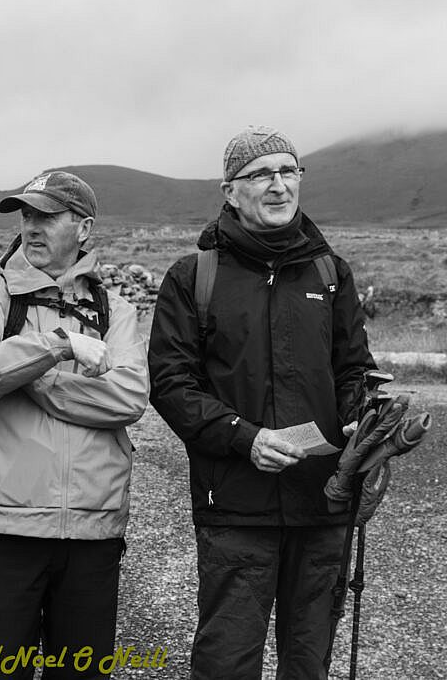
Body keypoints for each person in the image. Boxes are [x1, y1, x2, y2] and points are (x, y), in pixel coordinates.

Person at [148, 125, 376, 679]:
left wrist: (360, 420)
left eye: (289, 171)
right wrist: (244, 438)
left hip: (323, 500)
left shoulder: (330, 272)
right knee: (226, 661)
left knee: (308, 663)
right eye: (261, 175)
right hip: (235, 502)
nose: (279, 185)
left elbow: (353, 370)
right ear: (230, 191)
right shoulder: (193, 277)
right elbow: (172, 383)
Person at [0, 171, 149, 679]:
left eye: (48, 216)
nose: (32, 227)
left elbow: (128, 398)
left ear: (84, 228)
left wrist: (29, 378)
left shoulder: (115, 310)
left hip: (94, 530)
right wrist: (57, 345)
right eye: (27, 215)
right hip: (7, 527)